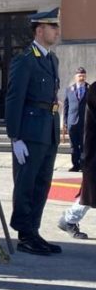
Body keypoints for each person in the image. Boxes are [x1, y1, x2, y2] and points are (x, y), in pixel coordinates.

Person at [5, 7, 62, 255]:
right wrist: (15, 136)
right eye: (53, 27)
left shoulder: (52, 59)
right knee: (26, 183)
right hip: (29, 131)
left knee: (42, 184)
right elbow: (14, 99)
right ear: (40, 30)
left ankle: (34, 231)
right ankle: (24, 234)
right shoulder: (25, 60)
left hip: (47, 129)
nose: (57, 31)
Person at [59, 82, 96, 240]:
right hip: (94, 150)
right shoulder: (94, 90)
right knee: (90, 193)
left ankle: (68, 219)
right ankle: (68, 219)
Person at [62, 67, 87, 172]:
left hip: (85, 123)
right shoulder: (69, 90)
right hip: (72, 122)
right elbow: (66, 107)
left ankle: (84, 165)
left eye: (83, 76)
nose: (81, 78)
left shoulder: (90, 89)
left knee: (84, 145)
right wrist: (65, 122)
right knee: (73, 146)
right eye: (79, 76)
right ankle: (75, 165)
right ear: (75, 77)